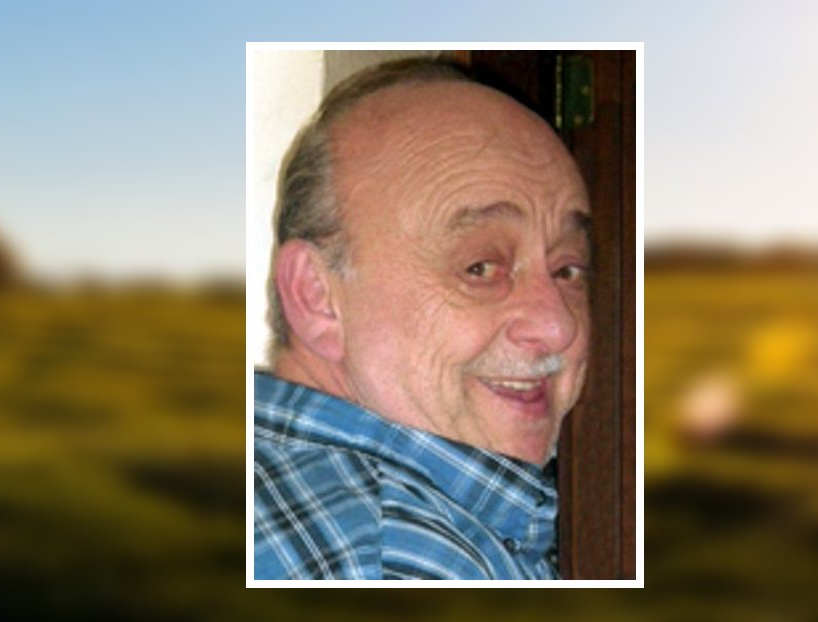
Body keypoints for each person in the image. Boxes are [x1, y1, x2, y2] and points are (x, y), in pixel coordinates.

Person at [253, 57, 591, 579]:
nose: (558, 326)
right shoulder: (393, 555)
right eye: (481, 268)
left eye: (568, 270)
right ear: (316, 295)